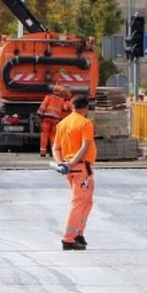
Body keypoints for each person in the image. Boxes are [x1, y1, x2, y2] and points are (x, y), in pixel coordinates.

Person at [52, 95, 95, 251]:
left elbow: (56, 148)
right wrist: (71, 163)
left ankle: (78, 234)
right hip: (81, 167)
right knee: (79, 202)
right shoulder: (85, 123)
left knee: (86, 201)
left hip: (72, 169)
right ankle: (68, 239)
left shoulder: (62, 124)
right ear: (86, 107)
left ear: (71, 106)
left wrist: (61, 163)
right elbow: (84, 147)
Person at [37, 85, 72, 157]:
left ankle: (43, 151)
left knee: (44, 135)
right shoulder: (62, 100)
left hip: (46, 119)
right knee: (53, 136)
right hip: (56, 121)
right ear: (60, 92)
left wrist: (39, 115)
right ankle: (54, 152)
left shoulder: (48, 97)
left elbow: (42, 107)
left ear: (53, 90)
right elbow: (65, 108)